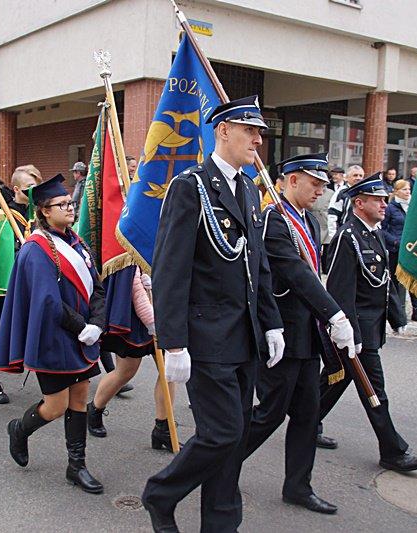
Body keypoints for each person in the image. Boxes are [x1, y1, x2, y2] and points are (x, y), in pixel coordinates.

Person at [141, 95, 284, 533]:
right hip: (204, 337)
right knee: (222, 433)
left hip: (243, 337)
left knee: (235, 437)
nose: (258, 140)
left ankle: (221, 524)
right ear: (223, 130)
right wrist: (174, 341)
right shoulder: (191, 186)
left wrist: (272, 320)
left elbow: (256, 261)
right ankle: (160, 494)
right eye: (250, 130)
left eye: (260, 133)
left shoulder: (245, 186)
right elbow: (170, 268)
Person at [244, 154, 356, 515]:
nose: (320, 191)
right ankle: (218, 464)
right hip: (282, 334)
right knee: (269, 414)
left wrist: (328, 318)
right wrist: (335, 313)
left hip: (307, 334)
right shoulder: (274, 221)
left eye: (324, 185)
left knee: (308, 415)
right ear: (292, 180)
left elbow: (313, 275)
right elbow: (295, 273)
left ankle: (298, 486)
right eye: (314, 184)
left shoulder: (309, 220)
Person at [0, 174, 106, 494]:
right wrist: (82, 327)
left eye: (71, 202)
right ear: (43, 210)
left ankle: (76, 465)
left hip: (83, 335)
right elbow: (47, 301)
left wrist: (97, 322)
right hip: (54, 336)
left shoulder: (77, 242)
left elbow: (96, 287)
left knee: (81, 398)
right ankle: (19, 430)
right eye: (62, 204)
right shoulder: (36, 249)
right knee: (55, 406)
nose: (70, 207)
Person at [318, 174, 417, 472]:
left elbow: (385, 282)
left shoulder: (375, 233)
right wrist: (347, 331)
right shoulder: (347, 237)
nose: (384, 204)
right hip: (355, 332)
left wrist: (397, 317)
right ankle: (392, 450)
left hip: (372, 327)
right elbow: (340, 291)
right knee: (374, 390)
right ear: (359, 202)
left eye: (384, 198)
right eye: (378, 199)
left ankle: (307, 417)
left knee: (337, 378)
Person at [86, 265, 178, 451]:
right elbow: (133, 284)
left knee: (170, 369)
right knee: (126, 371)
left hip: (161, 309)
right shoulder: (131, 242)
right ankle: (94, 409)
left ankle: (163, 428)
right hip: (136, 316)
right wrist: (151, 320)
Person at [0, 167, 39, 404]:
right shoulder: (3, 218)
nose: (32, 193)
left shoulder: (36, 217)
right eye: (27, 189)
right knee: (0, 333)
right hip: (7, 287)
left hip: (33, 283)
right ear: (15, 190)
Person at [381, 179, 417, 325]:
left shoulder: (414, 206)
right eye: (404, 189)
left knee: (413, 280)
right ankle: (397, 312)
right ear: (396, 191)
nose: (407, 192)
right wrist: (394, 241)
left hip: (412, 249)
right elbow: (382, 229)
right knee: (396, 282)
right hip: (396, 249)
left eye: (408, 189)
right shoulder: (390, 208)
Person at [309, 162, 341, 261]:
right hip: (314, 220)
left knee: (326, 253)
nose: (319, 191)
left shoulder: (331, 193)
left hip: (325, 223)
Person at [326, 164, 364, 243]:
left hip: (361, 236)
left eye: (361, 175)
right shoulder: (342, 193)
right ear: (347, 177)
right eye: (355, 175)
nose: (358, 178)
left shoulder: (365, 193)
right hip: (344, 237)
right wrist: (334, 237)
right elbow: (332, 215)